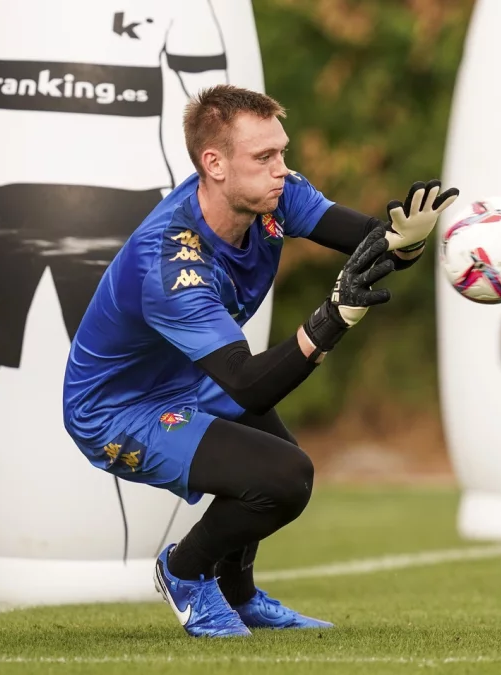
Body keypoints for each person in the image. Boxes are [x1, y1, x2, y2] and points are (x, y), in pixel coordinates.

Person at [62, 84, 459, 638]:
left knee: (279, 467)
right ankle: (184, 572)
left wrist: (409, 243)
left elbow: (373, 243)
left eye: (282, 152)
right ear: (214, 164)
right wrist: (332, 319)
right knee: (282, 477)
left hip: (185, 378)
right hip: (119, 407)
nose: (282, 169)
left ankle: (238, 595)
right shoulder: (170, 263)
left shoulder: (276, 196)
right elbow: (249, 387)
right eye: (265, 157)